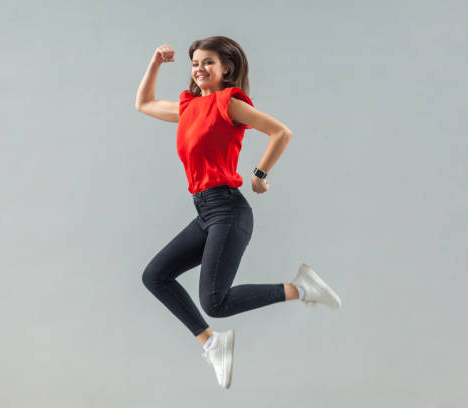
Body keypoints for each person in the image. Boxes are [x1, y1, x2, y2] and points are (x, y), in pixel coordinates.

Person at [135, 36, 342, 389]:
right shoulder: (187, 107)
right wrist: (155, 62)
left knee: (215, 301)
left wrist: (260, 174)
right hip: (205, 211)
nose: (200, 69)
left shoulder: (227, 103)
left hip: (228, 209)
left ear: (226, 68)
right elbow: (144, 103)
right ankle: (212, 343)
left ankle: (301, 288)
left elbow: (280, 132)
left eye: (208, 63)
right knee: (155, 276)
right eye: (195, 63)